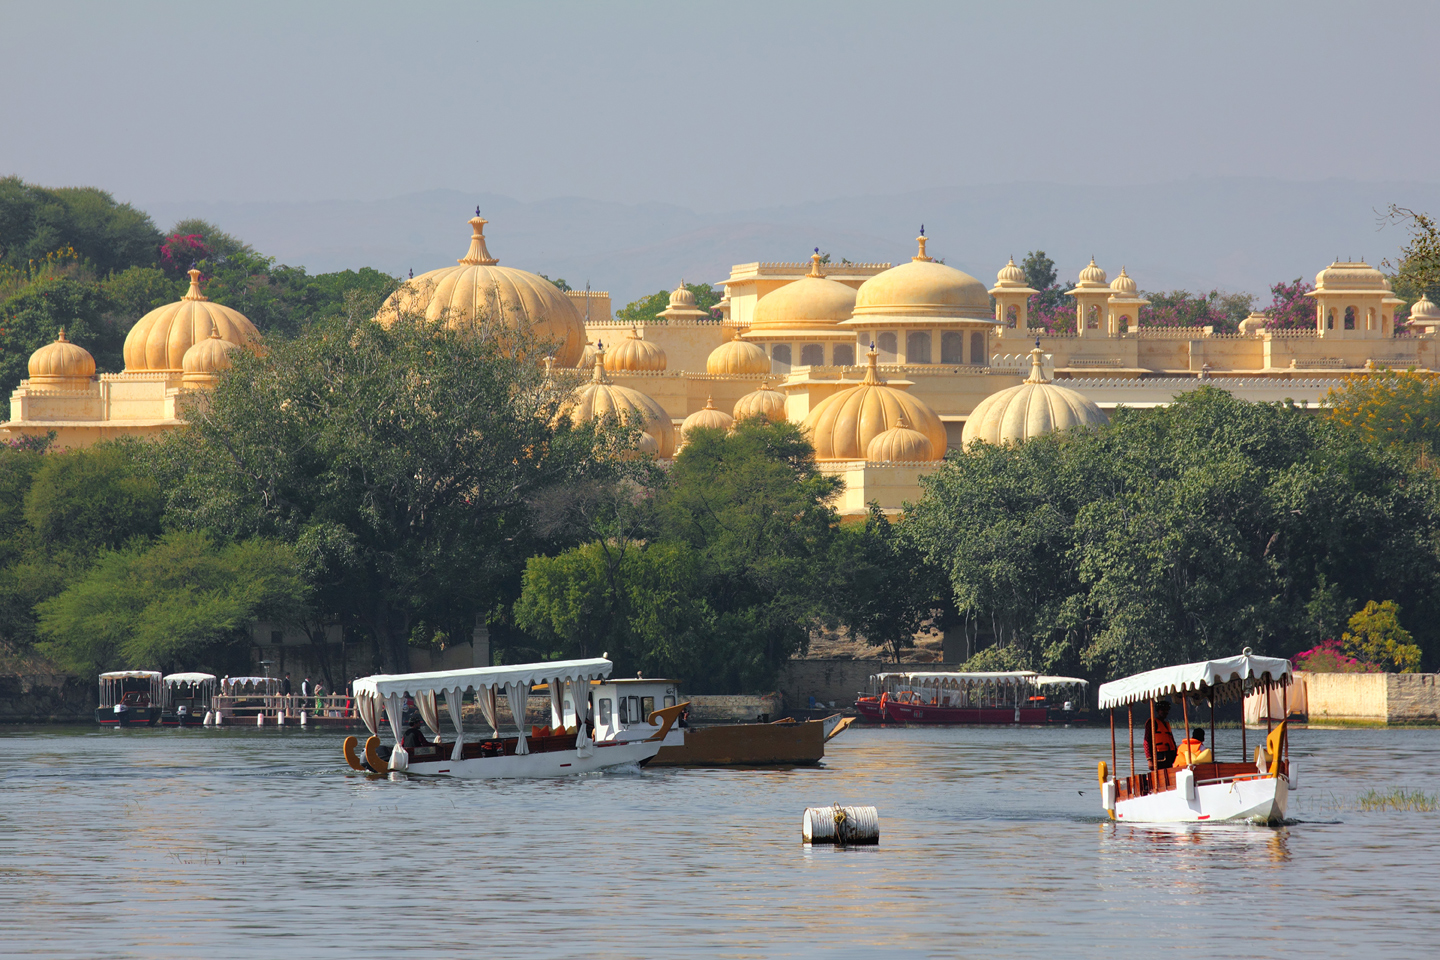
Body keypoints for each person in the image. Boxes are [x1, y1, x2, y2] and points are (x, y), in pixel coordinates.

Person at [1143, 700, 1178, 770]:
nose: (1165, 712)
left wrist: (1176, 756)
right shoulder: (1152, 723)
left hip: (1169, 757)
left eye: (1166, 710)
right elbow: (1146, 742)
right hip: (1158, 757)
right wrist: (1149, 760)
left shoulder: (1166, 724)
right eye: (1162, 710)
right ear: (1158, 711)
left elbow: (1172, 741)